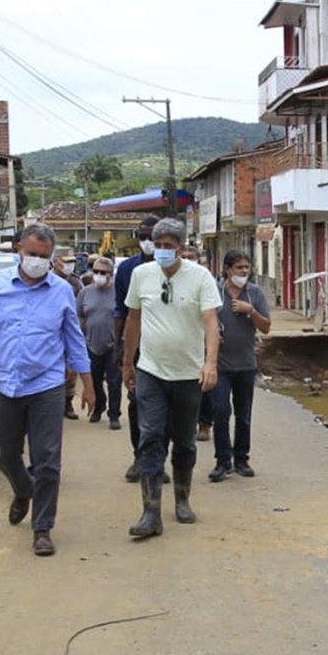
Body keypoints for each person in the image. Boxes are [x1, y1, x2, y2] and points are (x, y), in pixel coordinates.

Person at [0, 224, 94, 556]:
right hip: (5, 384)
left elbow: (73, 338)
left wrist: (88, 383)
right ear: (19, 250)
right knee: (7, 455)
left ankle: (42, 527)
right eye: (32, 255)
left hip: (46, 385)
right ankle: (23, 490)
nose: (38, 261)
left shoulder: (60, 291)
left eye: (44, 256)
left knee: (47, 460)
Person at [122, 217, 220, 538]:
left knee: (184, 440)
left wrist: (210, 363)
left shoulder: (200, 277)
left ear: (180, 248)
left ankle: (182, 499)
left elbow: (210, 323)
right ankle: (151, 513)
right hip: (151, 371)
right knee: (150, 437)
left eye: (168, 246)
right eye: (158, 245)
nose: (162, 251)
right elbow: (133, 320)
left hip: (188, 376)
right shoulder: (141, 275)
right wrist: (127, 362)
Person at [209, 251, 271, 482]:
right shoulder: (216, 293)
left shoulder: (254, 293)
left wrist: (250, 311)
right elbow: (203, 321)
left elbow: (266, 327)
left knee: (243, 415)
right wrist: (213, 335)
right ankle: (222, 461)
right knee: (221, 412)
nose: (244, 272)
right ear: (228, 270)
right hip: (221, 366)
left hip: (246, 365)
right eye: (239, 268)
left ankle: (241, 459)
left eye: (246, 267)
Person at [114, 214, 160, 480]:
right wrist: (119, 350)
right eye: (142, 237)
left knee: (165, 408)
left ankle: (158, 460)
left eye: (151, 238)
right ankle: (139, 457)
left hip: (167, 349)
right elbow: (121, 311)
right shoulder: (127, 270)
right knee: (136, 403)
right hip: (137, 347)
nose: (147, 243)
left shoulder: (178, 270)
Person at [77, 256, 123, 428]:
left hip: (113, 345)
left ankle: (114, 415)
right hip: (91, 344)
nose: (98, 275)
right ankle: (98, 407)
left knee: (114, 382)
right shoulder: (85, 292)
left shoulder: (118, 293)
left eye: (102, 272)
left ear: (110, 274)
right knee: (94, 380)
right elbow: (79, 315)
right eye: (95, 271)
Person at [180, 244, 215, 441]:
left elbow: (215, 315)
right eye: (183, 256)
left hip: (202, 343)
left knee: (204, 388)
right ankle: (188, 423)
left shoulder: (205, 280)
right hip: (182, 346)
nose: (186, 260)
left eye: (190, 257)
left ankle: (204, 423)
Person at [52, 251, 83, 419]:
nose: (69, 266)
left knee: (71, 371)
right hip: (53, 333)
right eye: (66, 262)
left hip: (70, 331)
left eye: (72, 262)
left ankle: (68, 403)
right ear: (56, 262)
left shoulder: (75, 283)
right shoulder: (47, 280)